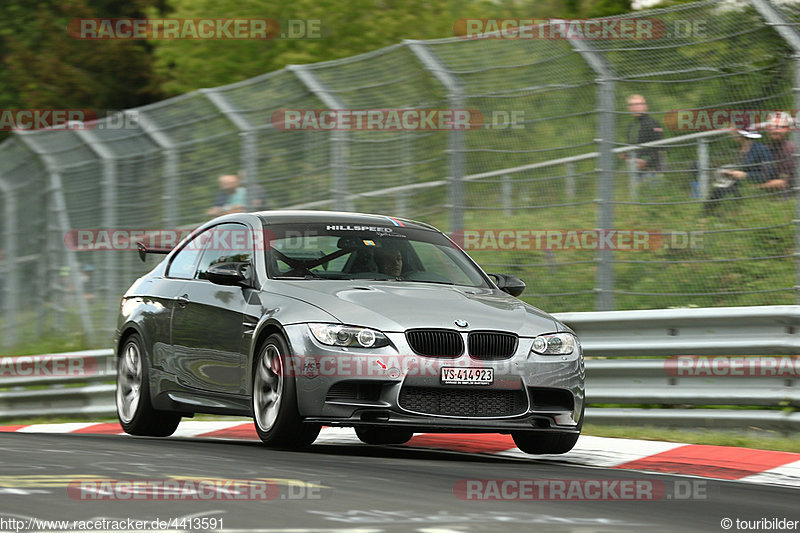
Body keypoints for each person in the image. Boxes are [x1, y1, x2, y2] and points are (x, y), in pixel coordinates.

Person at [704, 129, 775, 214]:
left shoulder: (761, 149)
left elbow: (768, 174)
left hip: (755, 184)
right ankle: (708, 213)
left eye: (734, 131)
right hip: (740, 184)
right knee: (718, 189)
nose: (731, 133)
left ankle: (710, 214)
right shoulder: (742, 150)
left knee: (721, 190)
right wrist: (731, 172)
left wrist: (746, 175)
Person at [622, 94, 665, 174]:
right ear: (629, 108)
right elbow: (631, 146)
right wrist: (626, 155)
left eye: (639, 104)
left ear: (646, 106)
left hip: (653, 169)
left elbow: (660, 147)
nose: (636, 107)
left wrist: (647, 161)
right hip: (636, 169)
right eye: (632, 105)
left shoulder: (653, 123)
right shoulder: (630, 126)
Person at [760, 112, 795, 192]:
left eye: (780, 127)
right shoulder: (766, 149)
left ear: (787, 129)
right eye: (772, 126)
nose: (775, 130)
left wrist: (754, 187)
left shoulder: (789, 150)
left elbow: (782, 183)